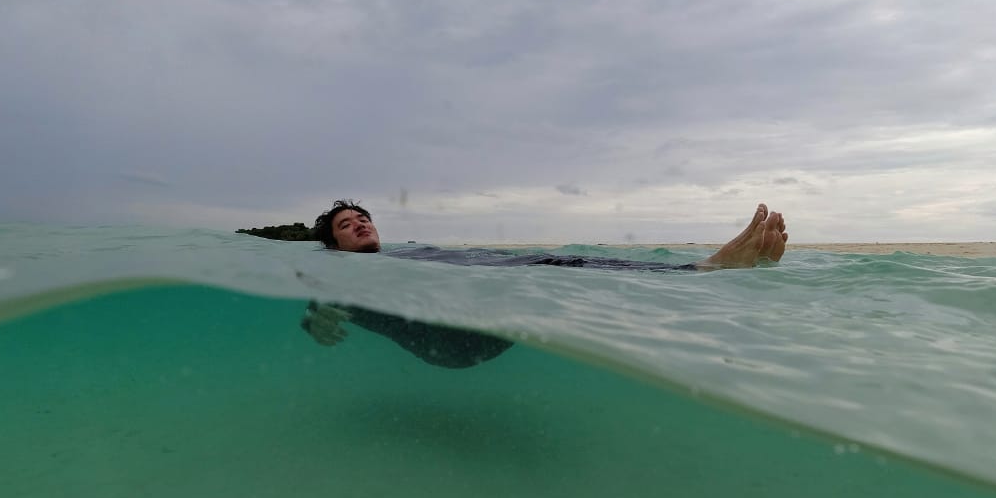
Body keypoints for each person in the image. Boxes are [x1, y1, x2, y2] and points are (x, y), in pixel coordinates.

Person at [300, 199, 789, 367]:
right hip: (447, 347)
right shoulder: (335, 273)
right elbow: (316, 310)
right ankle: (701, 271)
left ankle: (699, 273)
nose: (360, 224)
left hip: (486, 323)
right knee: (554, 266)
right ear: (332, 244)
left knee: (556, 263)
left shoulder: (408, 254)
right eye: (346, 224)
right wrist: (316, 319)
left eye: (363, 218)